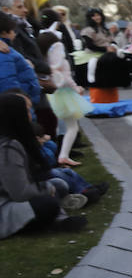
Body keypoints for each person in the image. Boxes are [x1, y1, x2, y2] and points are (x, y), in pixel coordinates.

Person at [0, 94, 87, 237]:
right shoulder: (8, 148)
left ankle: (66, 206)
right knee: (47, 203)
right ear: (16, 116)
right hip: (5, 207)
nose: (31, 114)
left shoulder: (15, 140)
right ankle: (59, 217)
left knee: (58, 183)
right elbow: (19, 193)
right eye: (27, 111)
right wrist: (46, 189)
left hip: (13, 197)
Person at [38, 33, 91, 167]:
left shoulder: (43, 59)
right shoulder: (58, 58)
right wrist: (76, 88)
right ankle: (63, 155)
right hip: (65, 94)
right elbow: (66, 78)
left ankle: (58, 155)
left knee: (55, 127)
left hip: (51, 95)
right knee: (71, 127)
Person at [0, 14, 42, 105]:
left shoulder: (7, 49)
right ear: (4, 32)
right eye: (13, 30)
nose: (15, 34)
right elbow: (9, 85)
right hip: (20, 108)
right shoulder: (5, 53)